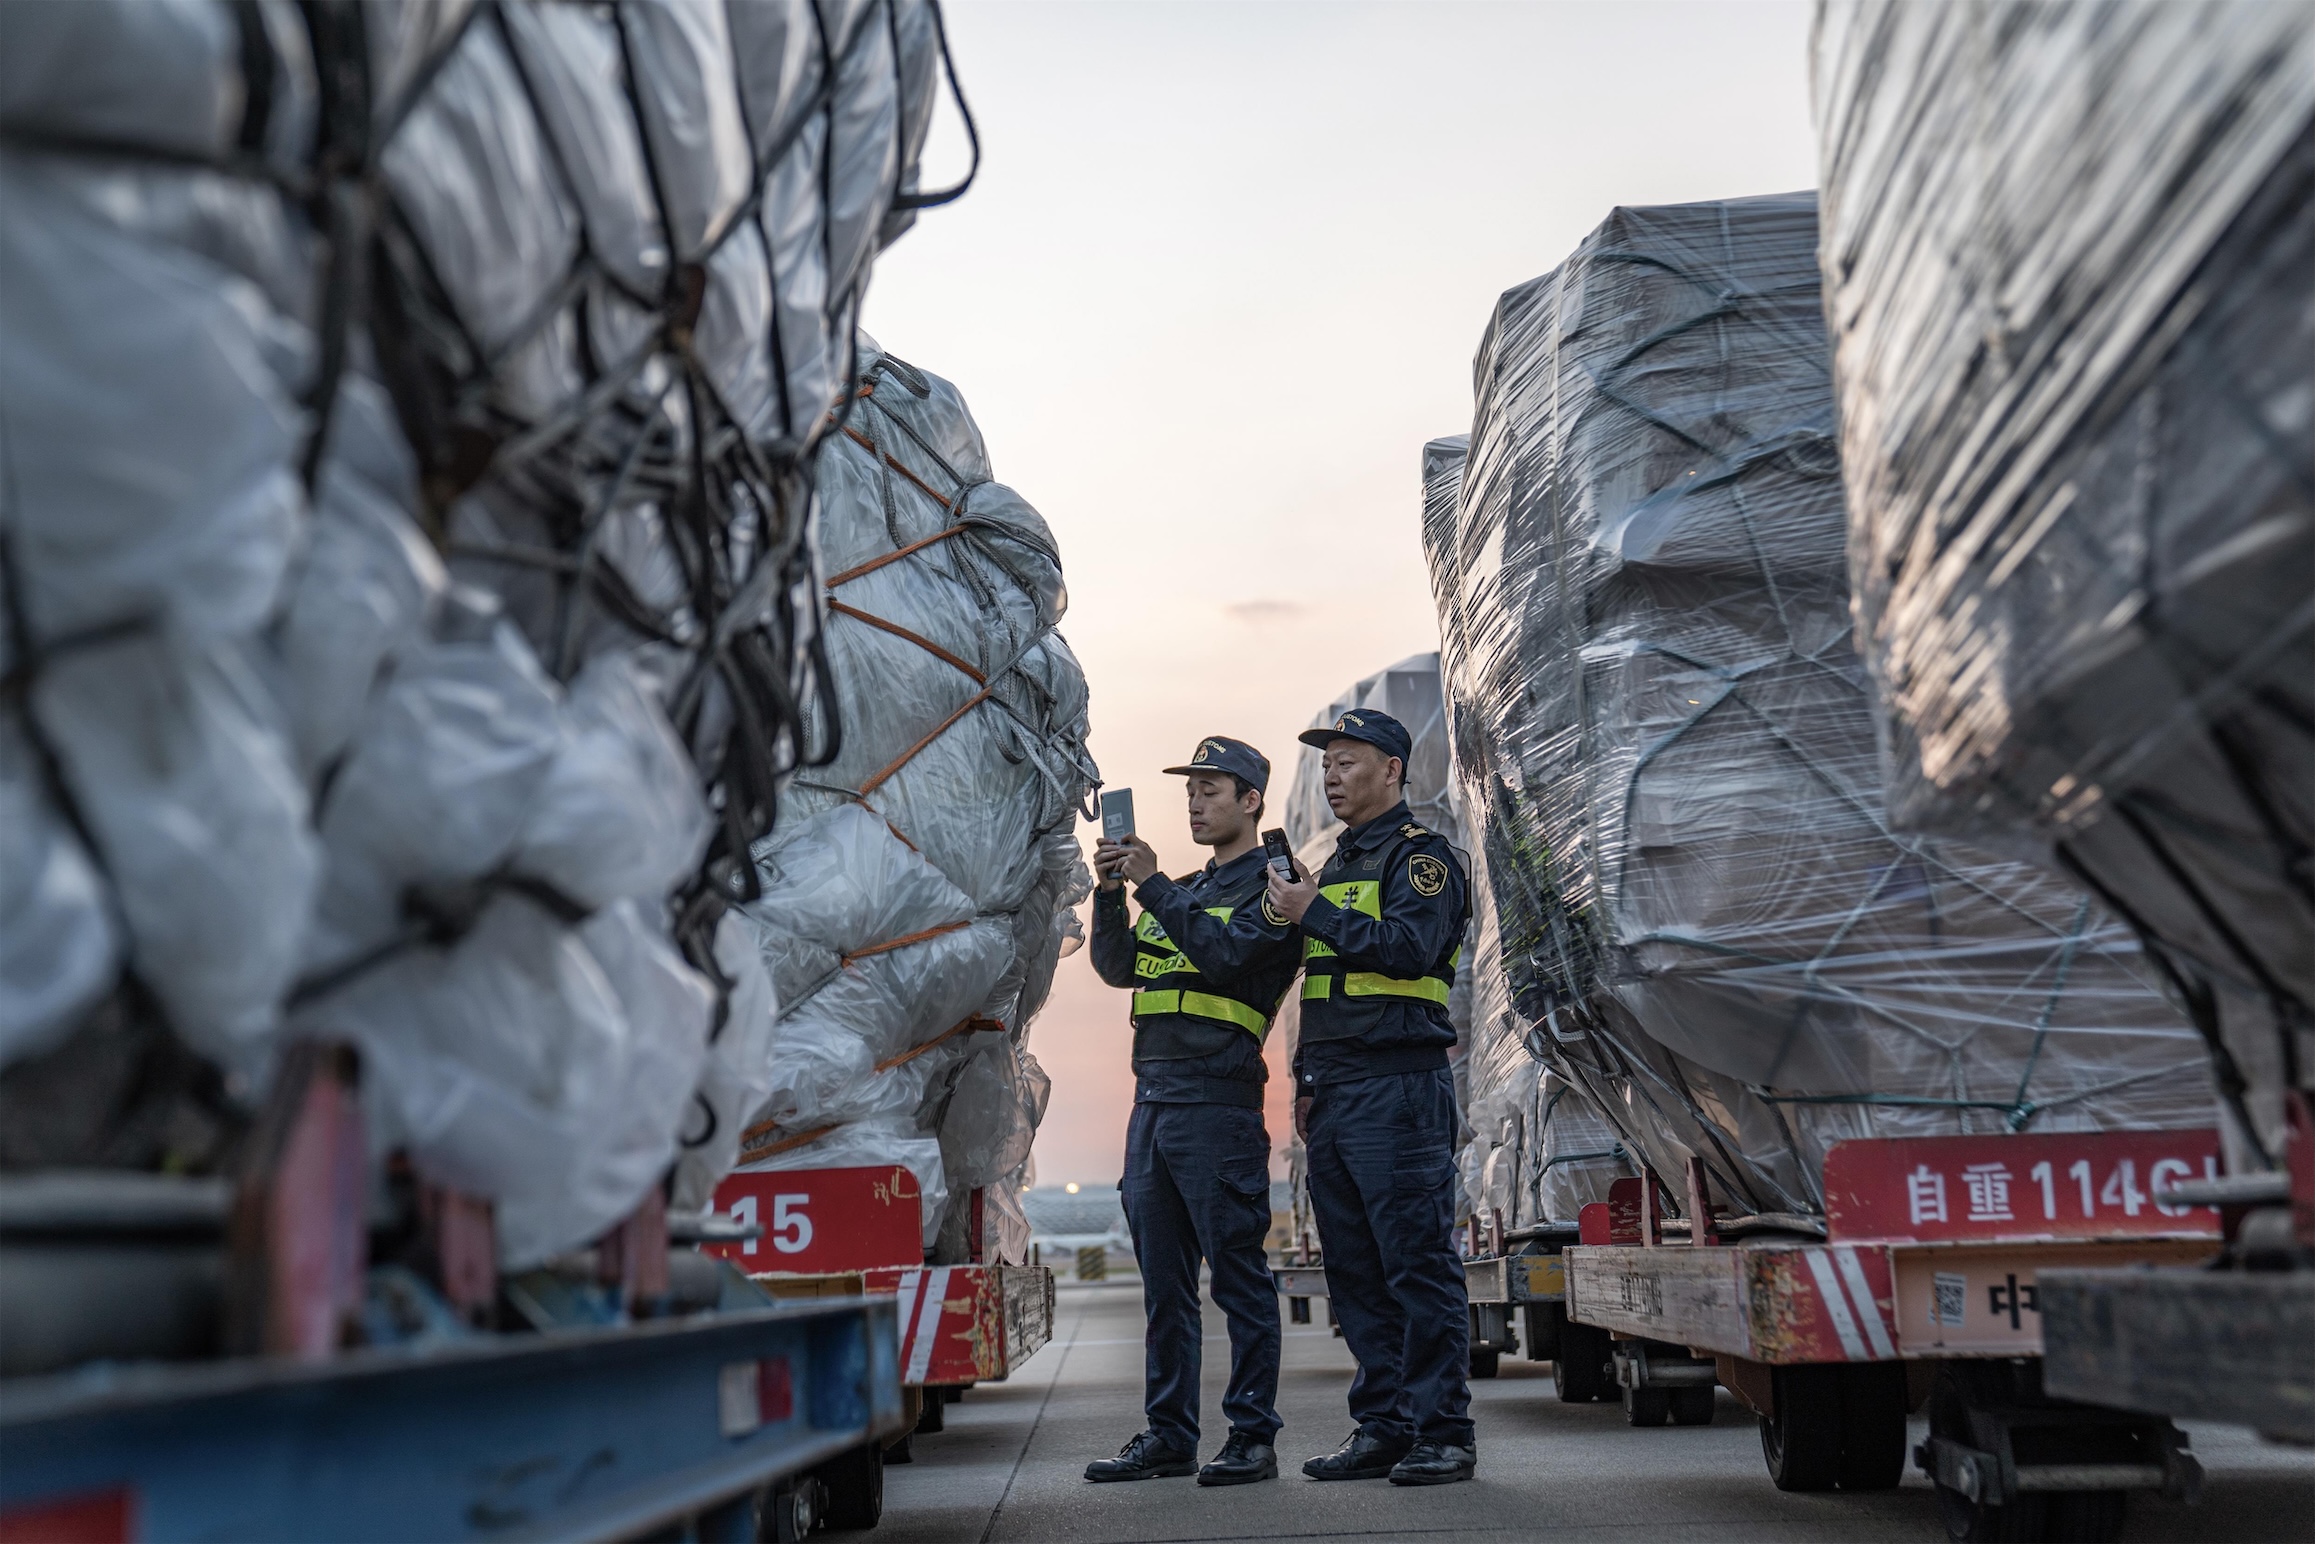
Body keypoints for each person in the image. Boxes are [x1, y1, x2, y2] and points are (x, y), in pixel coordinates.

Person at [1264, 708, 1476, 1486]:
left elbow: (1413, 949)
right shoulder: (1336, 864)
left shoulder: (1422, 860)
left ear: (1392, 769)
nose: (1331, 777)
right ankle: (1383, 1425)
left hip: (1396, 1086)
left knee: (1416, 1266)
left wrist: (1311, 911)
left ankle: (1443, 1432)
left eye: (1347, 762)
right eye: (1325, 766)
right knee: (1354, 1272)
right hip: (1334, 1091)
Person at [1082, 736, 1300, 1488]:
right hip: (1154, 1105)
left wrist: (1151, 889)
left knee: (1237, 1278)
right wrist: (1110, 893)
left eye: (1212, 790)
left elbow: (1232, 957)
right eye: (1189, 792)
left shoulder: (1275, 886)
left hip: (1218, 1104)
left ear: (1250, 801)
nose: (1196, 803)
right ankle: (1168, 1434)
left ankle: (1251, 1438)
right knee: (1163, 1287)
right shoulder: (1177, 887)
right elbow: (1118, 969)